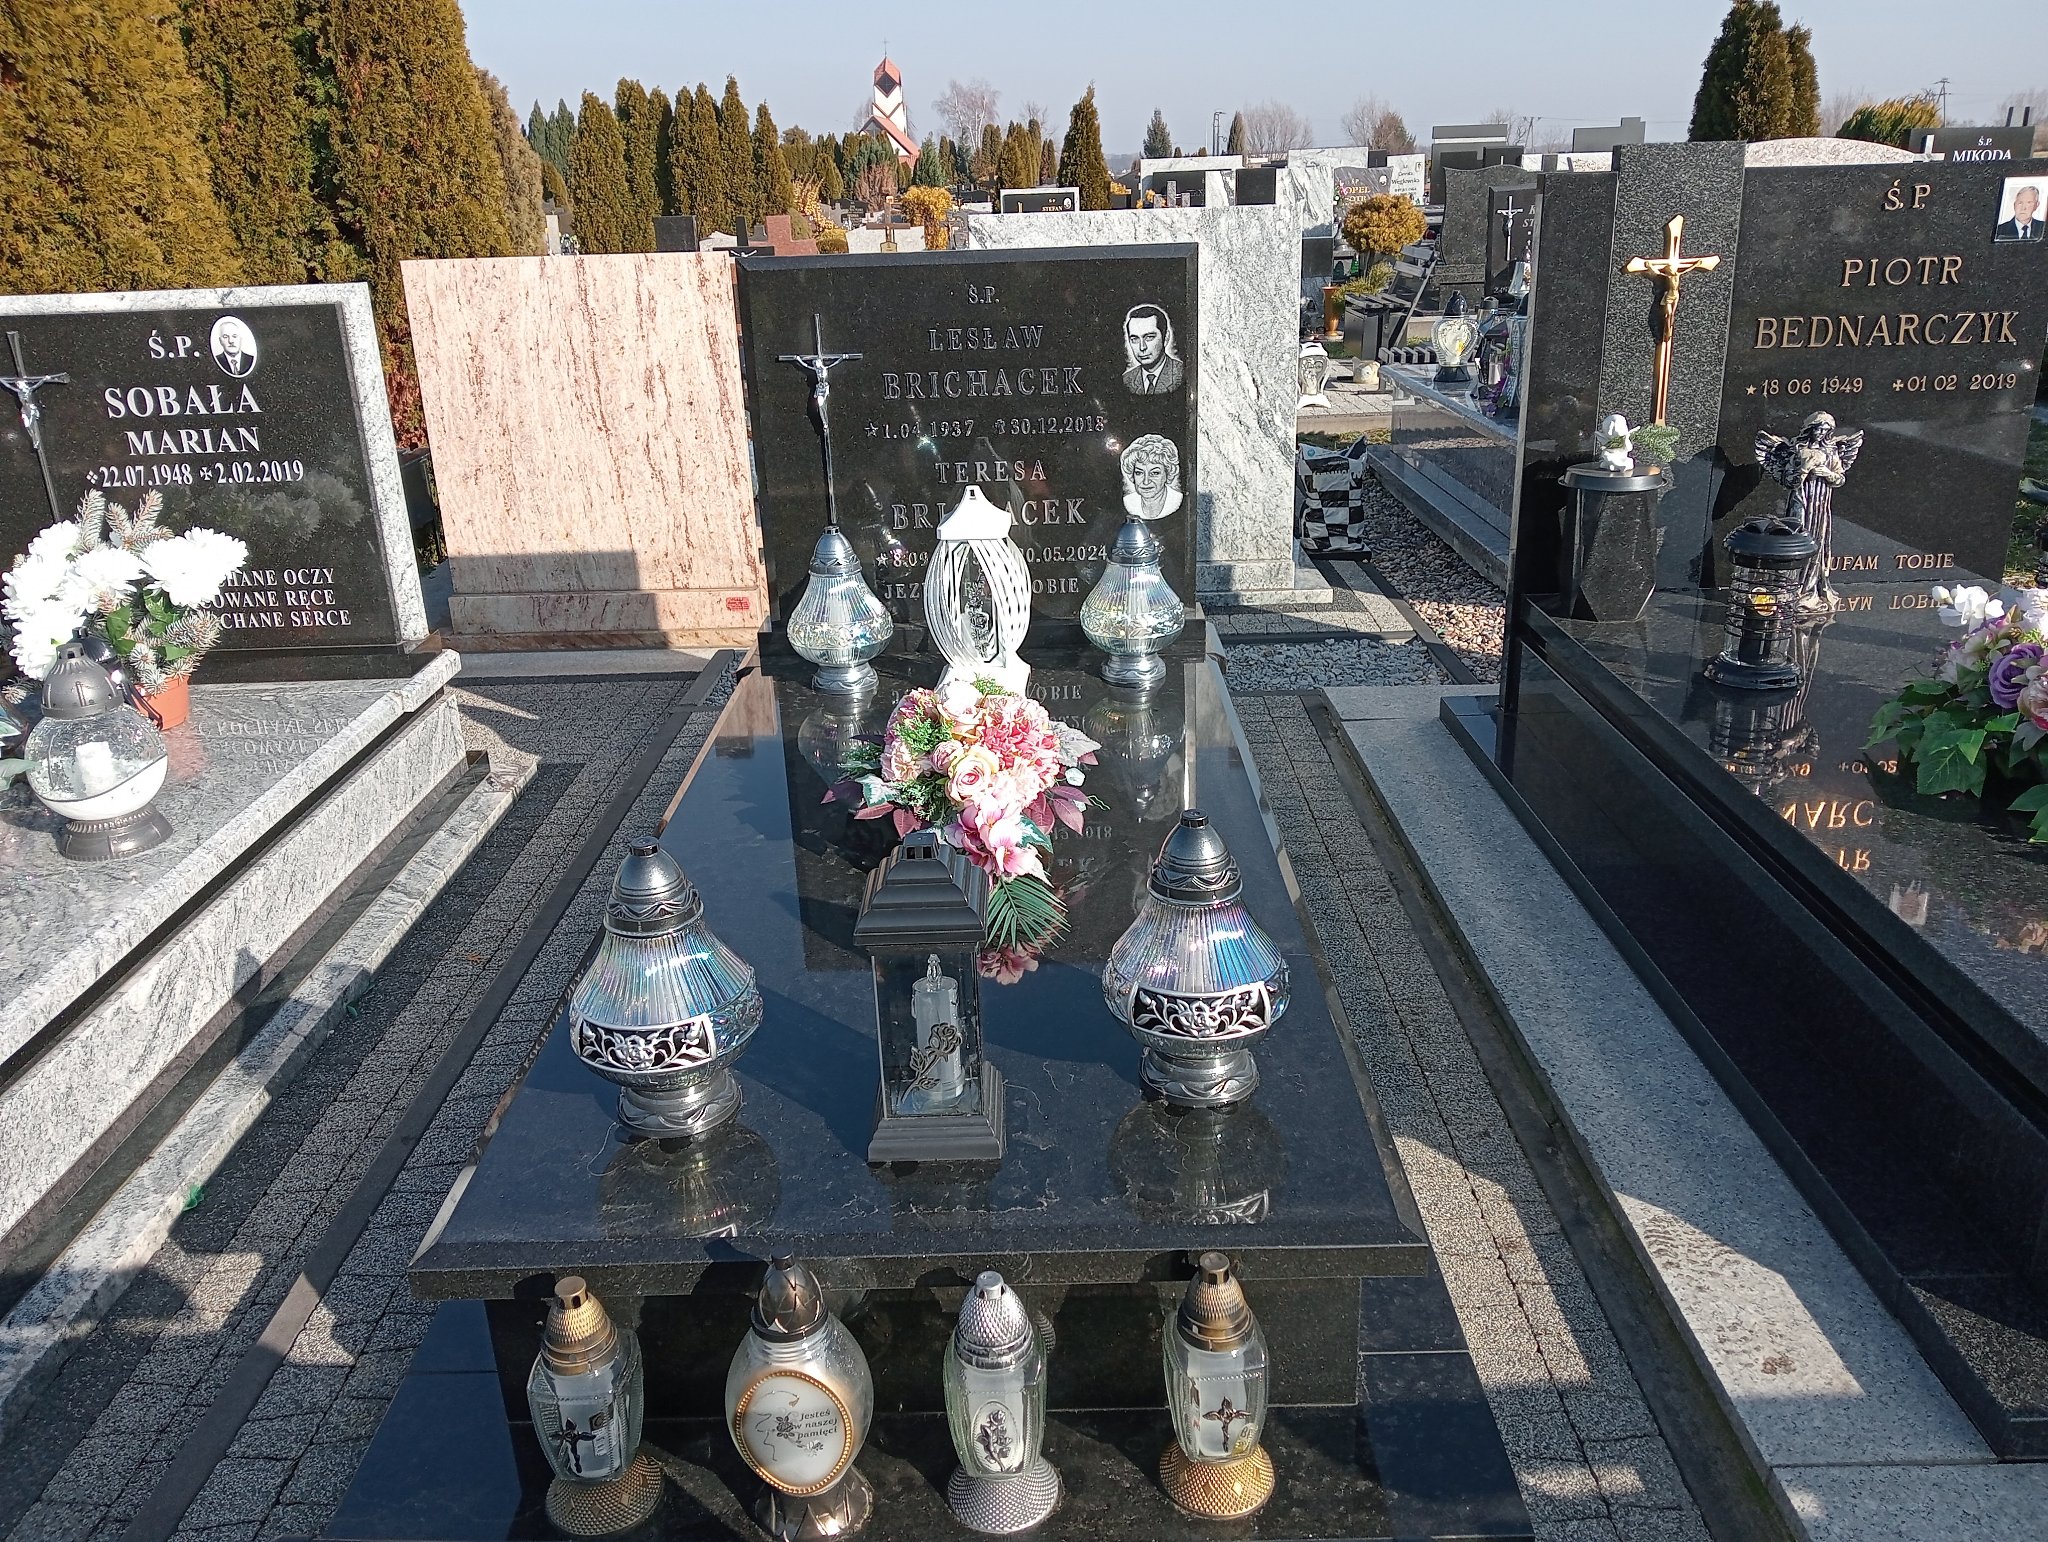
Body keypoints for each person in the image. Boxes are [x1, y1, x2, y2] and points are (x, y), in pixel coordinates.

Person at [1121, 304, 1184, 394]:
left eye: (1149, 337)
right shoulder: (1126, 380)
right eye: (1135, 339)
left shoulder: (1184, 374)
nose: (1142, 347)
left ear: (1166, 338)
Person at [1120, 434, 1182, 520]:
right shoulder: (1128, 502)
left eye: (1155, 473)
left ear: (1168, 474)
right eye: (1139, 473)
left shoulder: (1176, 500)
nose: (1146, 482)